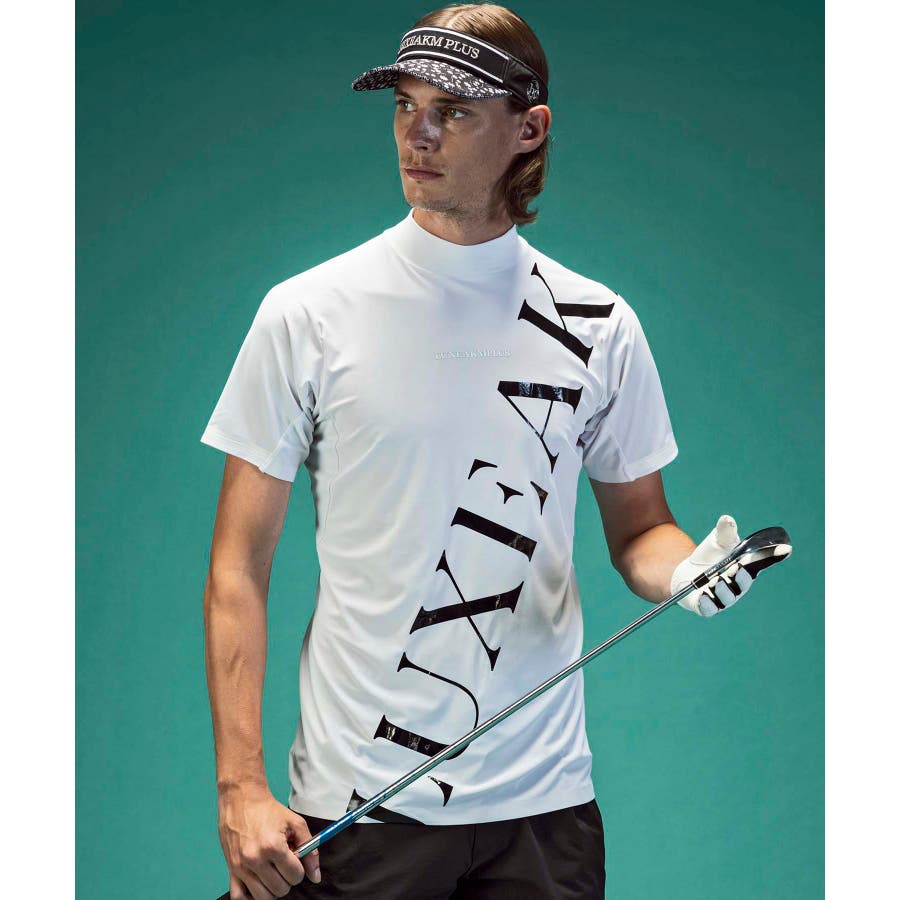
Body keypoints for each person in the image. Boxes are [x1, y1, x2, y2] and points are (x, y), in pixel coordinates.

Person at [200, 5, 790, 899]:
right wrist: (240, 787)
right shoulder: (308, 314)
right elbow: (237, 567)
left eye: (454, 111)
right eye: (405, 105)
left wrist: (688, 571)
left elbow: (641, 531)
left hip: (545, 816)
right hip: (363, 803)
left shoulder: (599, 325)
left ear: (529, 129)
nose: (418, 133)